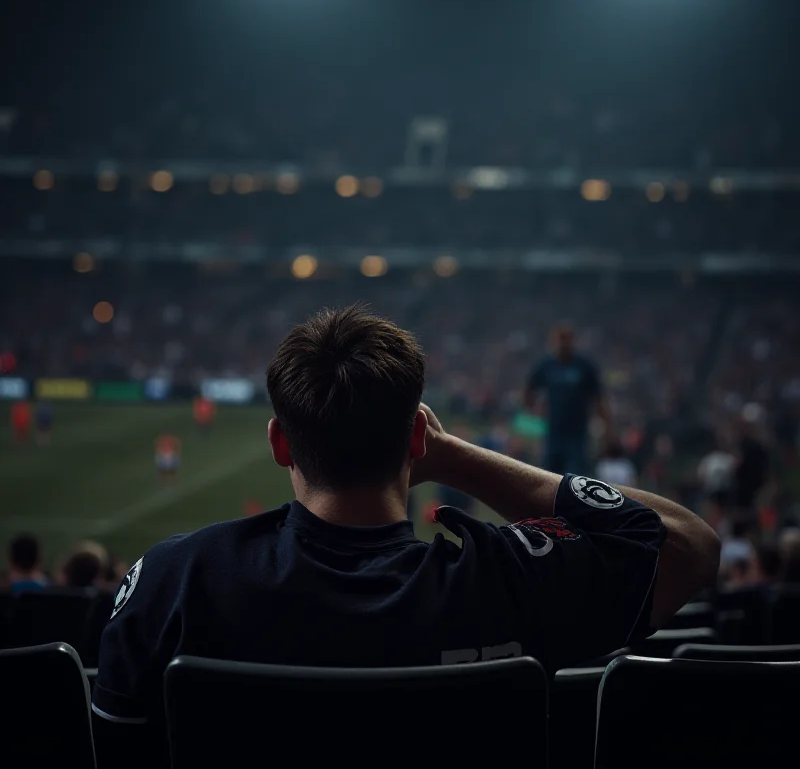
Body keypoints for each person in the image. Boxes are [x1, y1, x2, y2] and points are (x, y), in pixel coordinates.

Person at [92, 306, 719, 763]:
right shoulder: (504, 583)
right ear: (416, 439)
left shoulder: (175, 581)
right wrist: (453, 457)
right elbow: (687, 544)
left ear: (281, 444)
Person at [524, 323, 610, 475]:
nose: (563, 343)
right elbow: (529, 391)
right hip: (553, 434)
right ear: (553, 341)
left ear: (573, 341)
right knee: (549, 477)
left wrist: (607, 428)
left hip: (577, 435)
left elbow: (598, 398)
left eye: (566, 339)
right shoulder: (546, 366)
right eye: (560, 339)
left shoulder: (584, 366)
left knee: (577, 478)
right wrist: (534, 415)